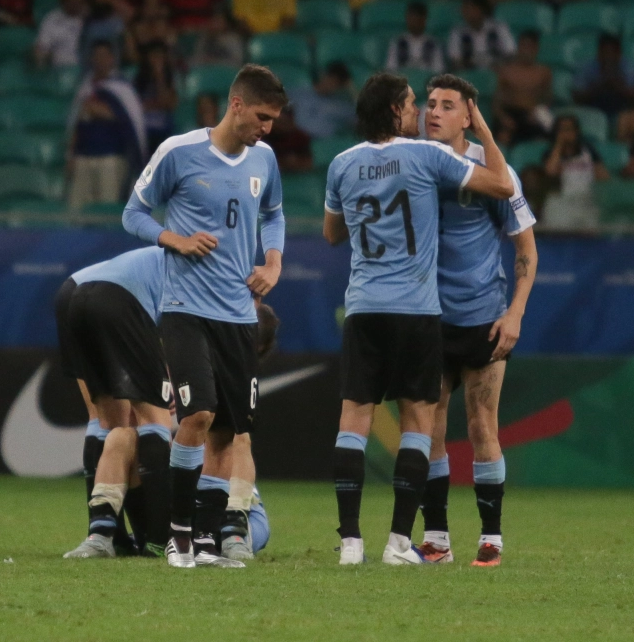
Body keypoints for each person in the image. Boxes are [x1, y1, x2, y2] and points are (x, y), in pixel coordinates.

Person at [322, 72, 515, 566]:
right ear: (394, 111)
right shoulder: (428, 156)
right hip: (415, 310)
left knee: (353, 422)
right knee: (417, 423)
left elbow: (330, 234)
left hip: (363, 307)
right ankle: (398, 543)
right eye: (412, 103)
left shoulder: (341, 164)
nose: (420, 113)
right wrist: (481, 128)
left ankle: (349, 542)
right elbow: (499, 183)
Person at [123, 64, 287, 569]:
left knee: (227, 432)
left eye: (274, 120)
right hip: (185, 309)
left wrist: (274, 261)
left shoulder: (266, 158)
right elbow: (133, 213)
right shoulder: (179, 152)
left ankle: (211, 539)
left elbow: (274, 213)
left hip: (239, 315)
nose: (268, 128)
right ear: (236, 104)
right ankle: (179, 537)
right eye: (262, 116)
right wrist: (175, 239)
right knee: (197, 416)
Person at [417, 74, 538, 568]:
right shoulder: (418, 164)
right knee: (430, 430)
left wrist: (514, 314)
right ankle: (437, 540)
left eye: (448, 105)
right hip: (429, 317)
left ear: (468, 116)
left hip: (485, 318)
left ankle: (492, 540)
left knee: (482, 424)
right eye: (430, 104)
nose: (435, 112)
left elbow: (526, 250)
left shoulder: (495, 172)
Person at [57, 246, 173, 560]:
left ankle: (107, 535)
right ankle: (160, 541)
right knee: (155, 419)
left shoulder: (166, 254)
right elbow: (179, 331)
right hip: (119, 299)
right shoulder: (216, 280)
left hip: (73, 294)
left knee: (107, 423)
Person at [66, 41, 148, 210]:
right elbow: (76, 123)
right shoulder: (85, 87)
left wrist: (101, 111)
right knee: (76, 210)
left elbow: (129, 119)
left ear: (112, 59)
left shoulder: (122, 87)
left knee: (106, 208)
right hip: (83, 156)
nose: (99, 60)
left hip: (111, 158)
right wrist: (70, 154)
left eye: (104, 56)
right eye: (96, 56)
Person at [539, 114, 609, 229]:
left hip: (586, 201)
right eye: (561, 130)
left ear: (577, 131)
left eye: (569, 129)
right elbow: (550, 172)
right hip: (560, 203)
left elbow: (604, 176)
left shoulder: (588, 151)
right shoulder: (550, 153)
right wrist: (559, 145)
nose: (566, 133)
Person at [494, 30, 552, 145]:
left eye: (530, 46)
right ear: (518, 47)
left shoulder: (544, 72)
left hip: (532, 115)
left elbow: (548, 98)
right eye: (524, 46)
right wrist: (503, 117)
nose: (526, 50)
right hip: (510, 114)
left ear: (536, 49)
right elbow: (497, 100)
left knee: (542, 140)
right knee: (502, 138)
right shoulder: (507, 71)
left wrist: (537, 114)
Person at [572, 33, 634, 121]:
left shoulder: (629, 68)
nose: (607, 56)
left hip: (623, 109)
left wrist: (614, 82)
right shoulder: (587, 67)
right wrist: (601, 84)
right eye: (604, 52)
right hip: (593, 109)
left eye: (611, 52)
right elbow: (577, 97)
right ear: (598, 53)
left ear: (618, 53)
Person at [288, 61, 354, 139]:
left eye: (337, 82)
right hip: (298, 140)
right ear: (323, 75)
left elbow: (361, 119)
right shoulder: (299, 93)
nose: (331, 84)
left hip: (326, 145)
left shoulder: (340, 106)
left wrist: (352, 90)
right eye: (331, 78)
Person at [447, 0, 515, 71]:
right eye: (465, 9)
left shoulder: (499, 28)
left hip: (497, 70)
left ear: (481, 10)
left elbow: (510, 52)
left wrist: (499, 66)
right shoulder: (457, 32)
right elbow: (456, 59)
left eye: (470, 9)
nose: (466, 13)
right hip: (469, 72)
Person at [34, 0, 86, 67]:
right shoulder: (52, 19)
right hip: (60, 68)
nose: (75, 3)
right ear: (63, 0)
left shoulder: (90, 18)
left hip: (84, 68)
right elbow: (42, 47)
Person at [386, 1, 445, 73]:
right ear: (407, 19)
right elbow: (391, 68)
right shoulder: (398, 42)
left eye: (417, 20)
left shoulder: (433, 43)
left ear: (424, 20)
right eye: (411, 19)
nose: (414, 23)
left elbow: (438, 70)